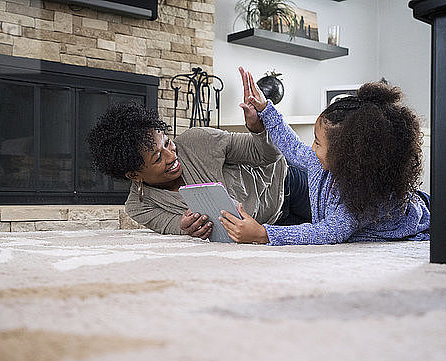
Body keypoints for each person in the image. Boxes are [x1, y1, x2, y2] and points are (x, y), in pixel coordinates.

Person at [218, 67, 430, 245]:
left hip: (418, 214)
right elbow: (292, 147)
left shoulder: (360, 202)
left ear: (348, 155)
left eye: (318, 142)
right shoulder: (322, 161)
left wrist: (264, 234)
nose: (312, 147)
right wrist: (265, 109)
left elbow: (326, 232)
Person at [86, 77, 312, 240]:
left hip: (286, 184)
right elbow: (172, 225)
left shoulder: (199, 140)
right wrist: (186, 227)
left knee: (343, 221)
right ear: (134, 174)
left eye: (167, 142)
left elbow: (267, 154)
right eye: (157, 158)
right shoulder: (139, 206)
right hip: (269, 225)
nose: (171, 155)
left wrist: (257, 128)